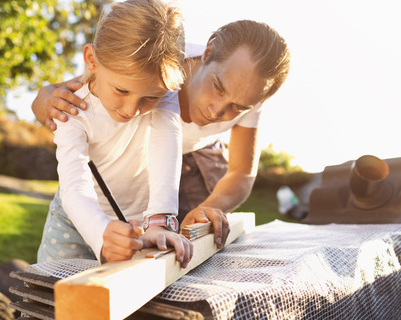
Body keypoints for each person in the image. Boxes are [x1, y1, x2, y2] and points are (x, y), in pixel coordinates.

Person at [33, 20, 290, 248]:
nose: (216, 111)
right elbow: (97, 82)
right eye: (217, 87)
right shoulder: (161, 60)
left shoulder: (253, 93)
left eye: (239, 107)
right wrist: (47, 100)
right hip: (138, 152)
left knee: (191, 238)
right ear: (208, 52)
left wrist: (207, 208)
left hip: (198, 154)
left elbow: (242, 172)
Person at [37, 0, 193, 268]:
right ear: (92, 60)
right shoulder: (72, 107)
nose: (132, 109)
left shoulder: (164, 94)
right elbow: (74, 184)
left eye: (150, 97)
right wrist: (100, 233)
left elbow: (166, 146)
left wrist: (160, 221)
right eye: (121, 90)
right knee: (53, 300)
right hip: (73, 221)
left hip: (136, 224)